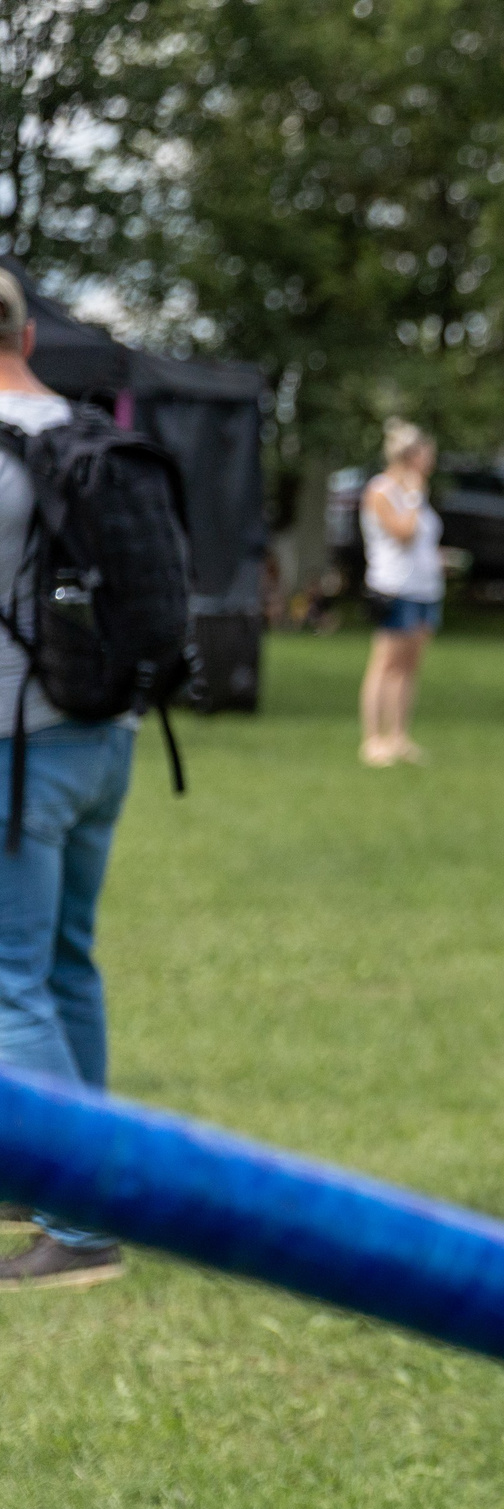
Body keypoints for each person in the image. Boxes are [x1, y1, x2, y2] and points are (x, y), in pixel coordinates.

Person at [0, 271, 128, 1289]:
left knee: (11, 981)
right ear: (30, 332)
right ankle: (70, 1178)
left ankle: (77, 1225)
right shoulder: (86, 432)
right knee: (67, 962)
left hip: (18, 745)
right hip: (106, 734)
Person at [356, 417, 442, 768]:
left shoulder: (416, 492)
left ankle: (398, 736)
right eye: (427, 453)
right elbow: (403, 533)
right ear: (410, 456)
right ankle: (372, 739)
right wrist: (413, 493)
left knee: (409, 667)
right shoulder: (382, 491)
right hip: (394, 588)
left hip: (425, 589)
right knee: (385, 665)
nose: (432, 461)